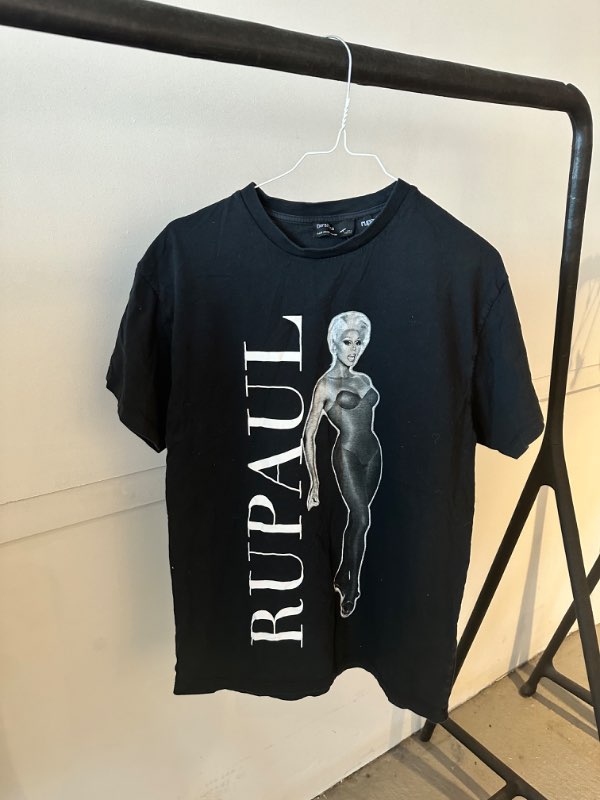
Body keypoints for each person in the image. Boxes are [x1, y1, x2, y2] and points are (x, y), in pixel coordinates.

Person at [302, 310, 382, 618]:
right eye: (347, 342)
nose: (353, 348)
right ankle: (352, 587)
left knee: (358, 520)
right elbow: (308, 434)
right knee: (361, 518)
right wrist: (315, 481)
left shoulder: (364, 379)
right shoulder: (325, 385)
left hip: (373, 455)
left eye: (358, 342)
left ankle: (340, 572)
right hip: (346, 454)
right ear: (334, 343)